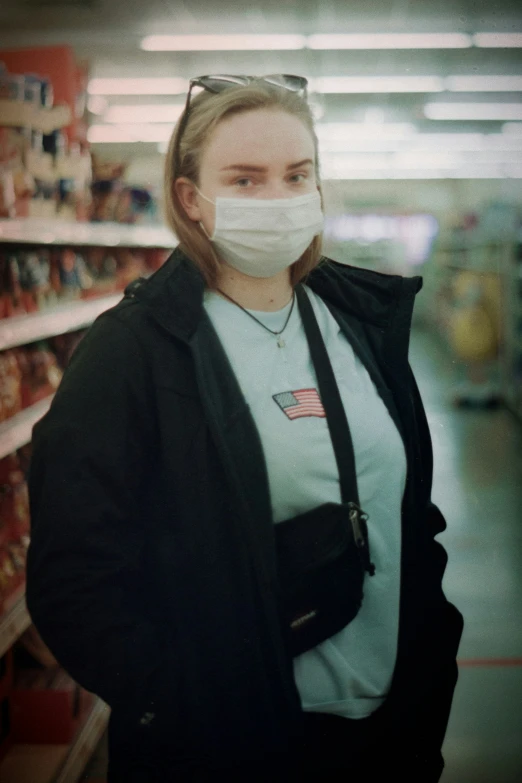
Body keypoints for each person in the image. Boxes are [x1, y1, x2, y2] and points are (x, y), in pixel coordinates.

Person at [26, 74, 463, 783]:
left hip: (387, 735)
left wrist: (432, 657)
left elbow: (412, 515)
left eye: (297, 174)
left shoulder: (360, 322)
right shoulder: (133, 352)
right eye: (245, 178)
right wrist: (184, 705)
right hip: (232, 746)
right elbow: (73, 578)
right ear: (191, 199)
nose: (279, 197)